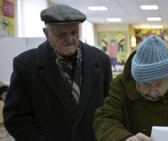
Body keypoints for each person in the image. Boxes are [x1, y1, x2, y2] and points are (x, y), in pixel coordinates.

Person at [3, 4, 112, 141]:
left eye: (74, 32)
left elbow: (110, 109)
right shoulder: (26, 65)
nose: (70, 39)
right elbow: (15, 117)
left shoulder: (101, 60)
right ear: (46, 33)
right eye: (61, 34)